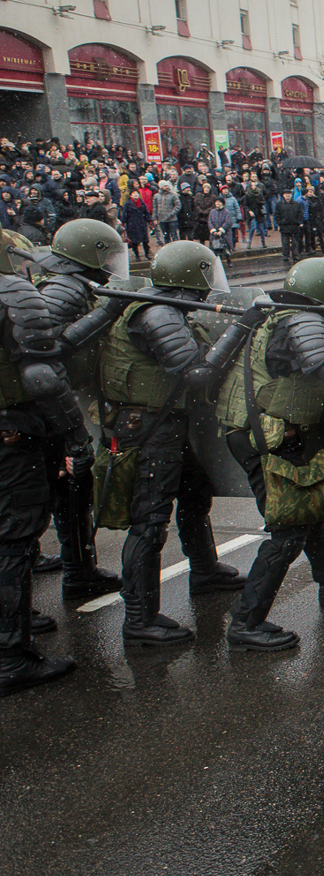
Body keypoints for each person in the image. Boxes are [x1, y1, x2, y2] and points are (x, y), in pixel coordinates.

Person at [215, 257, 324, 652]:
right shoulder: (302, 321)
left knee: (305, 508)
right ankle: (246, 621)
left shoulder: (279, 314)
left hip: (265, 431)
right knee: (288, 529)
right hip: (271, 437)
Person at [97, 242, 242, 647]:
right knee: (149, 521)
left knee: (194, 493)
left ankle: (205, 570)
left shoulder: (157, 302)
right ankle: (140, 620)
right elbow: (196, 373)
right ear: (190, 275)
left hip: (160, 425)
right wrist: (241, 329)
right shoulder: (158, 312)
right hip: (147, 430)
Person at [0, 242, 94, 696]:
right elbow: (42, 374)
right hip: (10, 436)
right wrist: (75, 436)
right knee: (14, 541)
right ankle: (10, 657)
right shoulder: (12, 293)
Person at [31, 220, 133, 602]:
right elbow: (49, 347)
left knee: (73, 495)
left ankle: (80, 572)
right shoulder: (61, 289)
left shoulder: (76, 284)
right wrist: (107, 312)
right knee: (50, 497)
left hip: (58, 401)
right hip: (47, 407)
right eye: (106, 254)